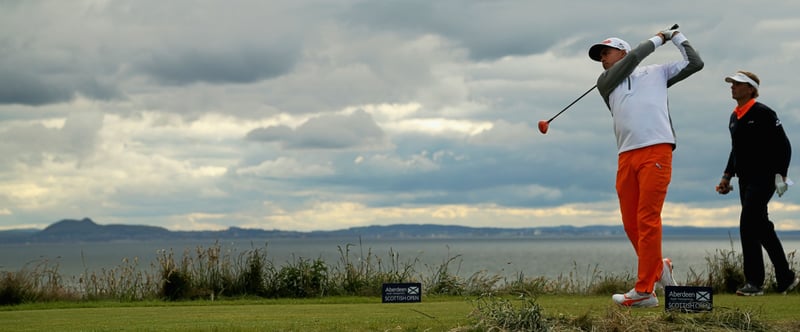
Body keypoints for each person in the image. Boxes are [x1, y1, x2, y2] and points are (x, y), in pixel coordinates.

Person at [588, 26, 704, 307]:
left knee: (647, 218)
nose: (603, 58)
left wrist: (676, 38)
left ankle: (645, 291)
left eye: (607, 52)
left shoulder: (658, 73)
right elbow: (634, 59)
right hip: (626, 155)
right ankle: (659, 267)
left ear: (622, 51)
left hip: (657, 148)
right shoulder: (606, 81)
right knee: (631, 224)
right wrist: (658, 38)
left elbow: (695, 63)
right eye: (600, 55)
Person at [715, 70, 800, 296]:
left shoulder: (763, 113)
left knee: (748, 224)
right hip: (745, 180)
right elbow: (736, 150)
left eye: (738, 83)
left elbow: (784, 145)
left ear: (751, 89)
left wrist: (781, 174)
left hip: (765, 178)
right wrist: (726, 176)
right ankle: (786, 277)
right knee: (762, 227)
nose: (732, 86)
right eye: (732, 83)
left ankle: (754, 283)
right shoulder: (735, 116)